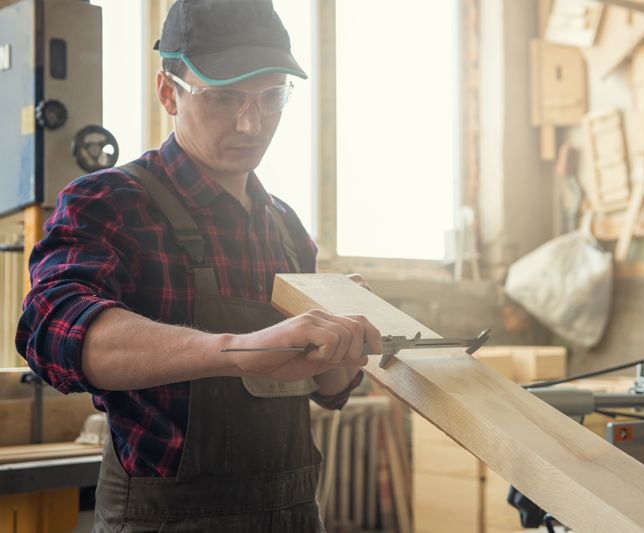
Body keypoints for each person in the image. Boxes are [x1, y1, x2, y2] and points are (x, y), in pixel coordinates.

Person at [15, 1, 381, 531]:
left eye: (271, 97)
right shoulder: (110, 202)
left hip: (295, 515)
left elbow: (329, 389)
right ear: (169, 93)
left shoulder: (285, 228)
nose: (252, 123)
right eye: (224, 97)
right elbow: (53, 329)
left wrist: (345, 334)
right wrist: (238, 351)